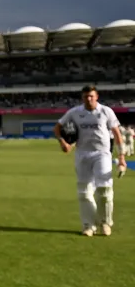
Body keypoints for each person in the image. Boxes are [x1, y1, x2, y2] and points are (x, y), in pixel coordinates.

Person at [53, 85, 125, 237]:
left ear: (97, 96)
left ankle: (105, 223)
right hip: (82, 154)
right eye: (86, 96)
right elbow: (57, 127)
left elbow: (117, 133)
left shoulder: (106, 111)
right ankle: (88, 225)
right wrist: (63, 142)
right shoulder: (75, 112)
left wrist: (121, 157)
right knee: (84, 193)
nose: (89, 99)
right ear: (82, 98)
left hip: (103, 154)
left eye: (92, 96)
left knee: (104, 190)